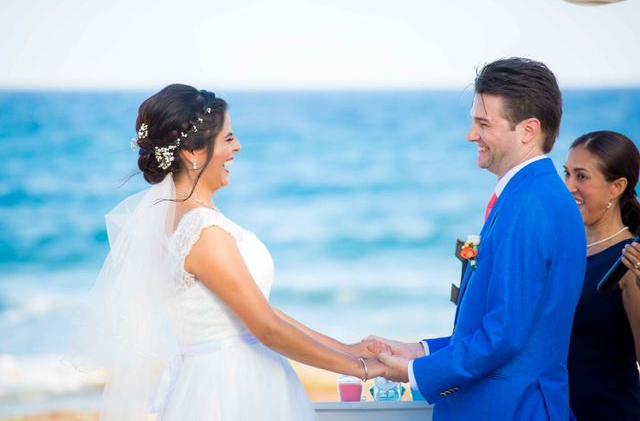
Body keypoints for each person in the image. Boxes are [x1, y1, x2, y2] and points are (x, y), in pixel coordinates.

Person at [71, 84, 382, 420]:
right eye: (228, 138)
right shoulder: (202, 231)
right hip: (231, 389)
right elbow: (267, 329)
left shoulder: (179, 220)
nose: (237, 147)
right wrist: (360, 367)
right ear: (193, 153)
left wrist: (345, 348)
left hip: (213, 379)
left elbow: (257, 310)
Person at [368, 58, 586, 420]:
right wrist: (420, 351)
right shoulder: (531, 195)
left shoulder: (529, 204)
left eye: (483, 124)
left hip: (510, 408)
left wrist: (413, 373)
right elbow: (512, 325)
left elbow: (504, 336)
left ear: (528, 130)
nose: (471, 135)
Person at [563, 131, 640, 420]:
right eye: (567, 174)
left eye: (581, 177)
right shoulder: (564, 250)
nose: (569, 186)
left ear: (617, 187)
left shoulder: (629, 263)